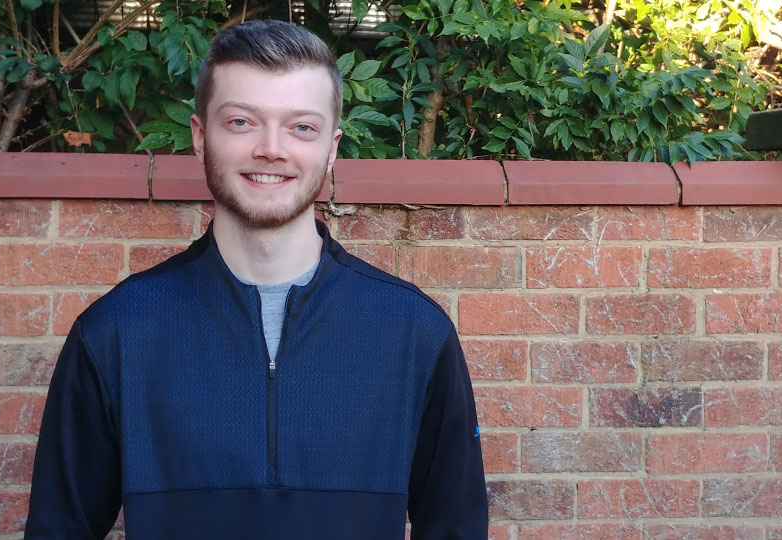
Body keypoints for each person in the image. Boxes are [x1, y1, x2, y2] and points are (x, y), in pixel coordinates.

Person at [24, 19, 487, 540]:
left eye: (301, 127)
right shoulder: (117, 333)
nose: (272, 148)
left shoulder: (415, 334)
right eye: (243, 122)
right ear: (201, 137)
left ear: (331, 147)